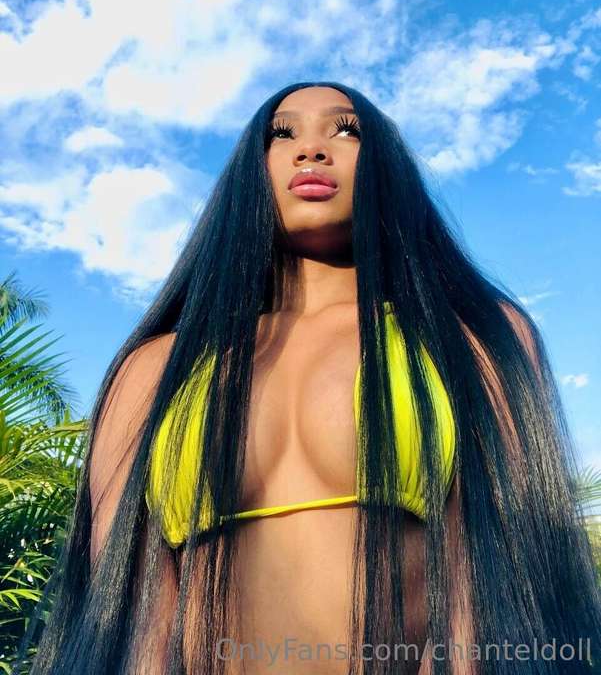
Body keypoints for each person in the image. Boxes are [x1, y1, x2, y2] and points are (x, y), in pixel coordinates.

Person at [16, 82, 601, 675]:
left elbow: (488, 579)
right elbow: (134, 617)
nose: (311, 149)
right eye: (282, 133)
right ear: (252, 173)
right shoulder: (155, 368)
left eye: (345, 130)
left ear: (387, 167)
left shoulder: (470, 337)